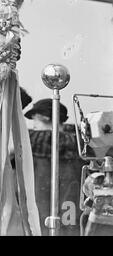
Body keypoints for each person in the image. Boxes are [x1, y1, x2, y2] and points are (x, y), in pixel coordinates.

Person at [24, 98, 85, 236]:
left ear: (45, 118)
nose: (33, 125)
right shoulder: (82, 144)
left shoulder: (32, 142)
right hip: (72, 212)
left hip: (42, 210)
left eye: (35, 121)